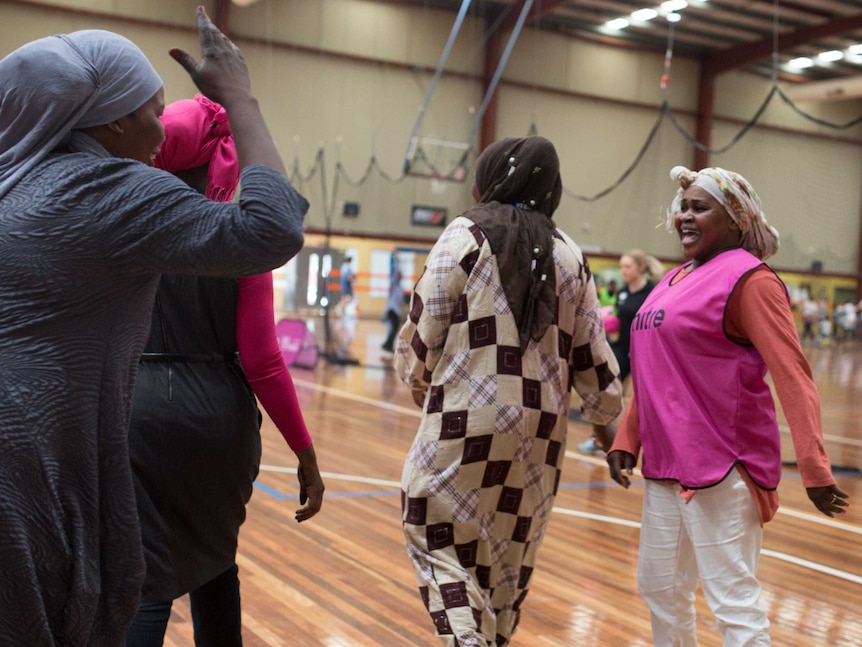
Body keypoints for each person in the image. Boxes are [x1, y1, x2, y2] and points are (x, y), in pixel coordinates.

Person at [0, 8, 308, 644]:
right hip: (32, 465)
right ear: (111, 121)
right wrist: (241, 98)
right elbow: (272, 230)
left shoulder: (17, 185)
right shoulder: (108, 190)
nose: (159, 131)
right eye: (151, 110)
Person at [607, 165, 849, 646]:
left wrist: (815, 466)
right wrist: (626, 439)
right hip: (666, 465)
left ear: (736, 218)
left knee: (731, 600)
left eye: (701, 207)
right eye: (683, 208)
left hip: (724, 465)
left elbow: (792, 374)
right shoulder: (673, 279)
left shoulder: (751, 280)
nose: (685, 217)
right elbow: (657, 369)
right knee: (659, 586)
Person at [395, 136, 623, 646]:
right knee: (506, 557)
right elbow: (595, 360)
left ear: (493, 178)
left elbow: (422, 327)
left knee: (431, 530)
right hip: (541, 439)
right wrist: (611, 425)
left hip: (465, 420)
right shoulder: (571, 255)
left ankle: (466, 640)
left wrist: (414, 377)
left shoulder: (465, 236)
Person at [125, 95, 325, 647]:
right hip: (218, 415)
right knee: (215, 563)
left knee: (146, 582)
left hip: (135, 409)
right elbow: (263, 358)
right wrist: (304, 452)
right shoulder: (239, 230)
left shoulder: (125, 220)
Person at [578, 249, 663, 456]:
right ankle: (598, 437)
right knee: (606, 390)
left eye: (628, 267)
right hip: (622, 348)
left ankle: (655, 443)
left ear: (640, 268)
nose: (623, 271)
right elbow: (618, 320)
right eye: (622, 267)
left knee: (649, 397)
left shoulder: (652, 292)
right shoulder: (623, 291)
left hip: (644, 351)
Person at [380, 251, 403, 355]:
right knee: (395, 326)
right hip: (391, 309)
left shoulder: (399, 287)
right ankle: (387, 345)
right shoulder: (394, 284)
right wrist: (396, 259)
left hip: (395, 310)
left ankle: (387, 344)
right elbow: (395, 271)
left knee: (395, 327)